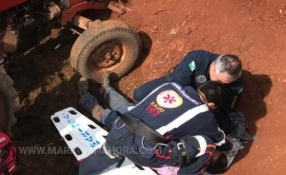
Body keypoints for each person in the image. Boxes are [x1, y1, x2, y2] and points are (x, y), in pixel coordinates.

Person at [74, 72, 231, 175]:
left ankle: (76, 172)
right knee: (207, 144)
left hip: (119, 130)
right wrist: (230, 145)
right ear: (212, 106)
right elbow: (221, 141)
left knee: (105, 154)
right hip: (144, 150)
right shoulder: (204, 115)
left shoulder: (171, 86)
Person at [133, 50, 243, 134]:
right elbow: (176, 84)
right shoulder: (196, 59)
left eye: (226, 83)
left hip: (205, 104)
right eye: (220, 81)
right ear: (213, 66)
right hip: (182, 91)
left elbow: (225, 107)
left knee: (223, 129)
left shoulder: (236, 85)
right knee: (140, 95)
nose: (221, 85)